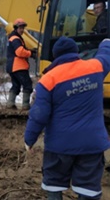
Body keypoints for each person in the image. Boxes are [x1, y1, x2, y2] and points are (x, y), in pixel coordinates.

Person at [24, 37, 110, 200]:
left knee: (54, 186)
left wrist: (29, 139)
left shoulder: (48, 80)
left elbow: (39, 114)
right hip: (92, 145)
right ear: (75, 52)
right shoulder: (95, 67)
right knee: (88, 191)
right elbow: (106, 55)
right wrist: (106, 42)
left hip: (59, 147)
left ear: (55, 56)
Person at [6, 18, 37, 110]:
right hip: (19, 66)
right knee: (27, 85)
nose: (22, 30)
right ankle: (25, 106)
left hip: (11, 67)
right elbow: (19, 51)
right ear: (16, 28)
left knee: (16, 85)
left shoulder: (12, 38)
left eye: (23, 28)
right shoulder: (16, 39)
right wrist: (30, 53)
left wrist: (28, 50)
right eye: (20, 28)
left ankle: (10, 104)